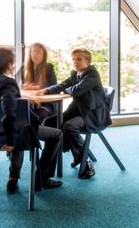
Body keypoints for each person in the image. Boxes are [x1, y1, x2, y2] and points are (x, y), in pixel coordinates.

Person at [0, 47, 63, 193]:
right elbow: (8, 112)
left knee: (19, 126)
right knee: (56, 134)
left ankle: (13, 178)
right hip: (12, 135)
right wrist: (10, 140)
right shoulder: (8, 82)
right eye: (13, 63)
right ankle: (42, 179)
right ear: (9, 64)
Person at [38, 48, 110, 179]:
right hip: (78, 111)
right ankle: (58, 152)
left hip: (92, 114)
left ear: (87, 62)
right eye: (73, 59)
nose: (75, 62)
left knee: (69, 126)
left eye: (79, 59)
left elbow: (77, 90)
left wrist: (67, 89)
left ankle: (85, 162)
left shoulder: (92, 74)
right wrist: (46, 91)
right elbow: (63, 85)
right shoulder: (75, 74)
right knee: (49, 122)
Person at [19, 42, 58, 121]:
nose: (36, 54)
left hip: (45, 104)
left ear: (44, 55)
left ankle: (40, 132)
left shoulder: (48, 67)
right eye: (34, 51)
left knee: (37, 117)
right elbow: (16, 82)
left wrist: (38, 87)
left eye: (39, 52)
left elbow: (53, 85)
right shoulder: (24, 67)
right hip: (28, 102)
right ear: (30, 54)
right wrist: (23, 85)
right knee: (21, 114)